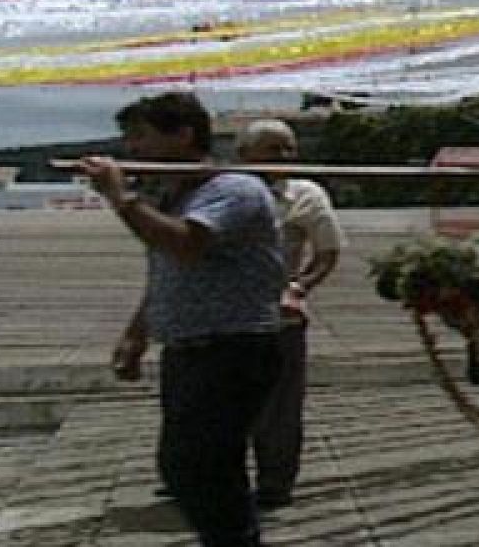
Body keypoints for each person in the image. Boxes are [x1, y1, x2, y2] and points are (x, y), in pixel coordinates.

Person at [82, 93, 284, 547]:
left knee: (201, 464)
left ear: (183, 135)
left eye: (141, 136)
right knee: (188, 466)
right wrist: (137, 334)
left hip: (234, 346)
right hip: (190, 346)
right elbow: (166, 271)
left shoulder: (233, 189)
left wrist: (121, 198)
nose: (132, 148)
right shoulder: (176, 196)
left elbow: (185, 245)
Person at [237, 120, 345, 508]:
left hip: (276, 312)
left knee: (279, 408)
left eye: (288, 149)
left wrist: (298, 288)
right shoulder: (218, 191)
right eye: (272, 150)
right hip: (224, 313)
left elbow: (327, 252)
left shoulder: (305, 195)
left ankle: (274, 485)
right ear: (244, 156)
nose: (283, 158)